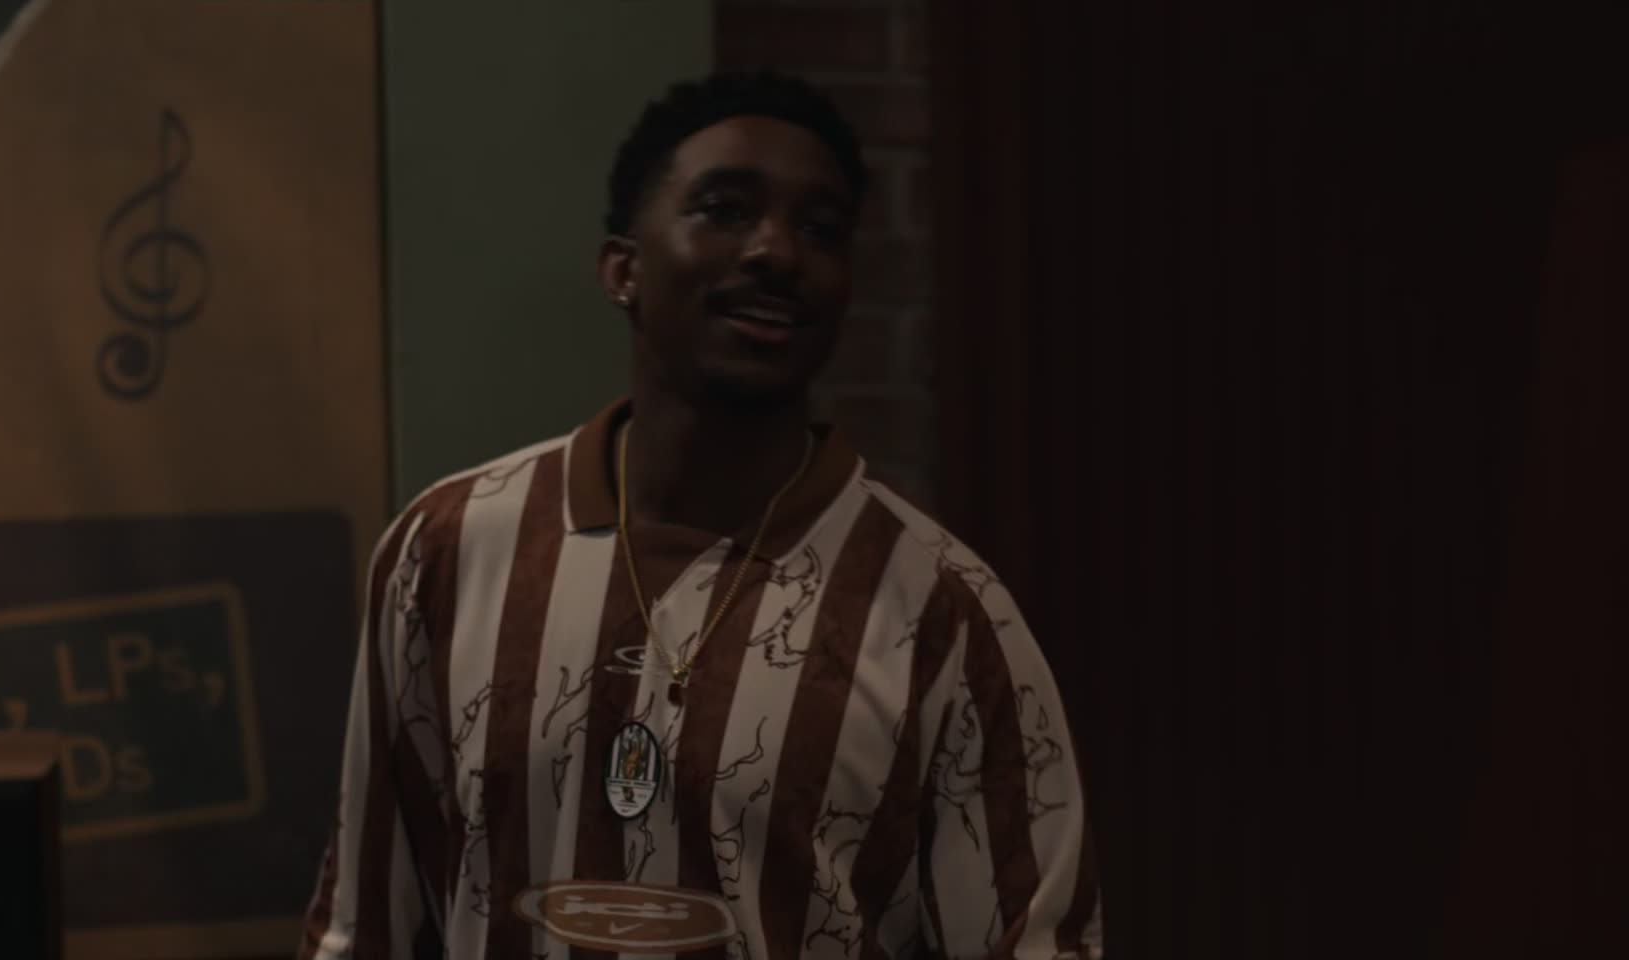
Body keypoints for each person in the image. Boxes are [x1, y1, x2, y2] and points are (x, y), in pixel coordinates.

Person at [298, 69, 1102, 960]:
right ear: (623, 269)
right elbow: (366, 925)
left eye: (821, 229)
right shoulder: (449, 549)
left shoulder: (943, 613)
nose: (777, 252)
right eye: (725, 209)